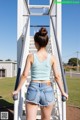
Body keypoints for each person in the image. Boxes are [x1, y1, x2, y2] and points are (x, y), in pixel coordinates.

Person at [12, 27, 68, 120]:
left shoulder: (30, 56)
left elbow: (25, 75)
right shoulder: (52, 58)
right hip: (47, 89)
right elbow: (57, 76)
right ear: (46, 43)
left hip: (33, 88)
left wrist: (17, 90)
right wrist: (63, 92)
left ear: (36, 43)